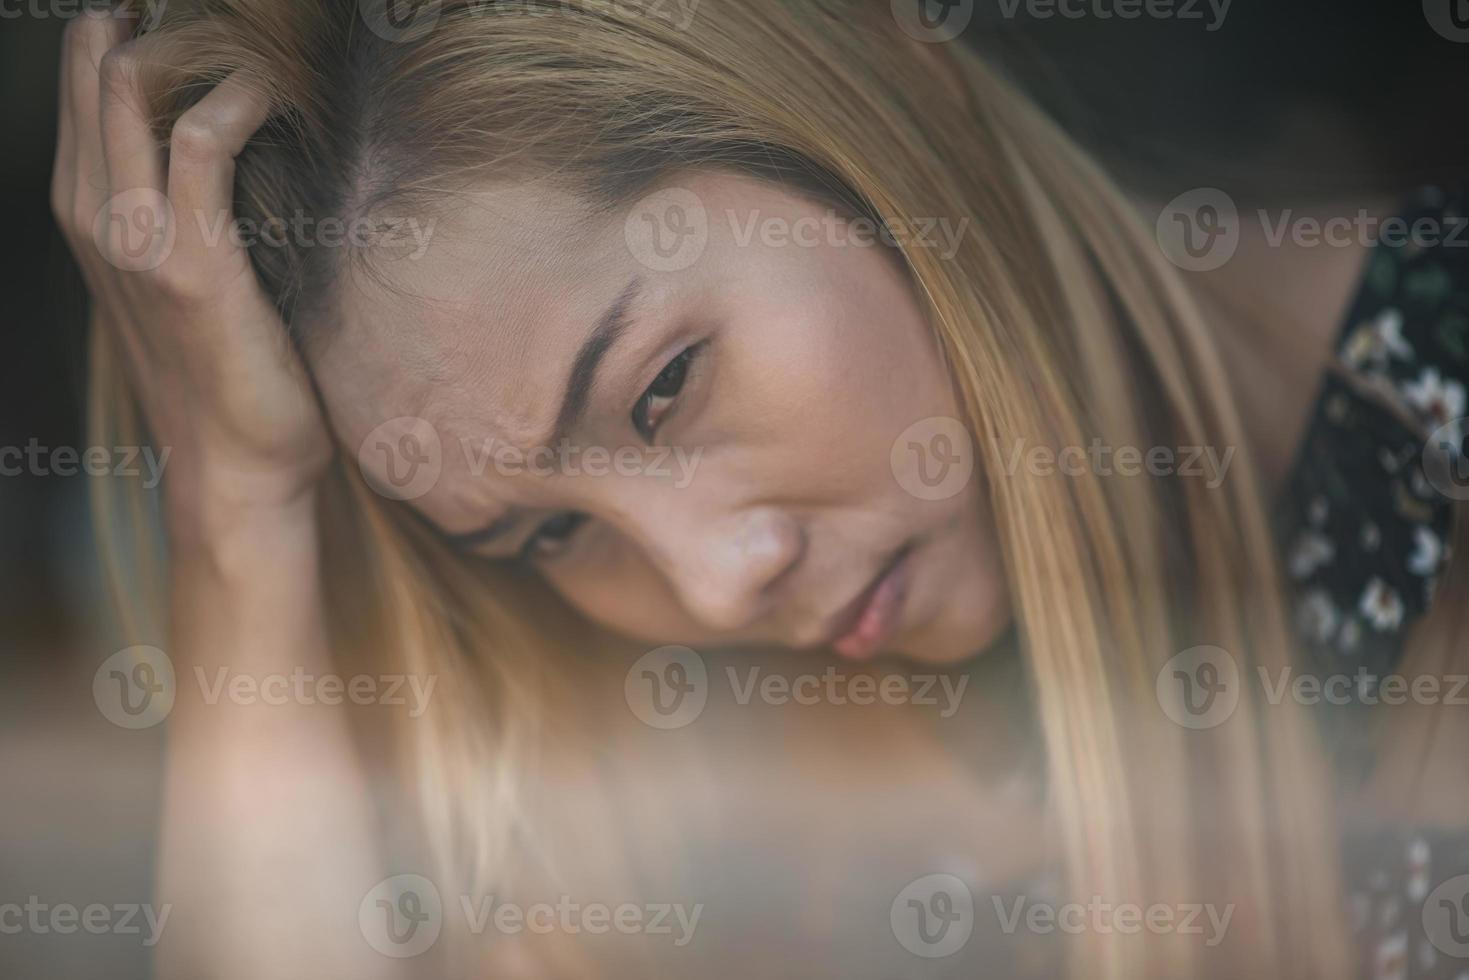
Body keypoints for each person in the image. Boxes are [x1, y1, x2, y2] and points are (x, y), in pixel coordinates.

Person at [51, 0, 1469, 976]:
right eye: (549, 532)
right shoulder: (691, 805)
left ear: (854, 83)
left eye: (663, 389)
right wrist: (235, 514)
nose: (710, 584)